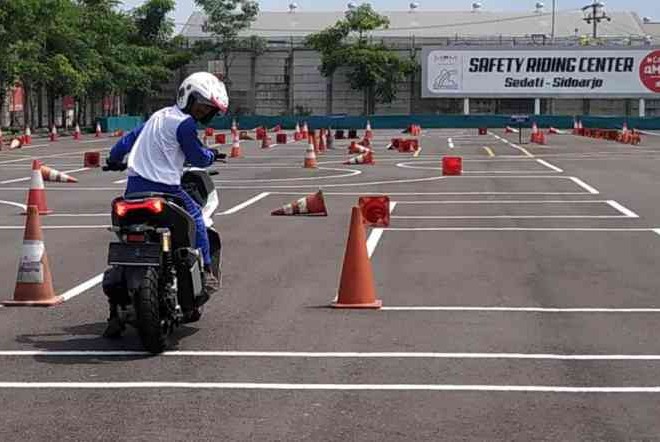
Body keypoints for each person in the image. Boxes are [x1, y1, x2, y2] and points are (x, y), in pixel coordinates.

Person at [104, 72, 227, 335]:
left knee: (123, 240)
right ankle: (206, 272)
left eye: (208, 109)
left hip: (133, 193)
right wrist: (211, 154)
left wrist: (114, 159)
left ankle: (115, 313)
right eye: (202, 106)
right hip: (166, 191)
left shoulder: (158, 116)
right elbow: (197, 155)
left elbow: (127, 140)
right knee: (196, 220)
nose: (204, 112)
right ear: (187, 98)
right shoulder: (185, 125)